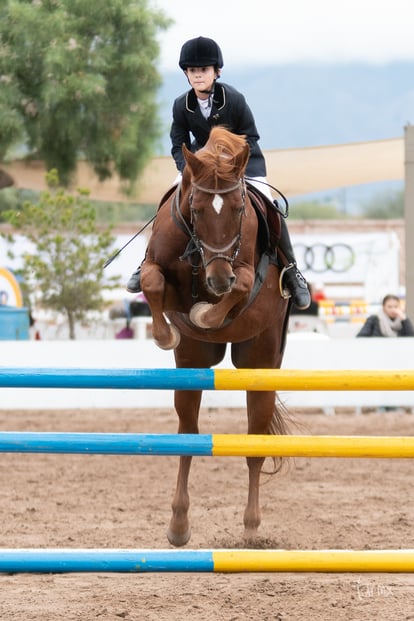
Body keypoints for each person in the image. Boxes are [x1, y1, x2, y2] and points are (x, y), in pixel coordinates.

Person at [127, 36, 310, 310]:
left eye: (204, 69)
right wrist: (189, 169)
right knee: (168, 200)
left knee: (270, 206)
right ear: (186, 74)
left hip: (242, 166)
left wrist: (227, 165)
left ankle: (292, 271)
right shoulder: (181, 105)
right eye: (192, 70)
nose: (198, 74)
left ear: (217, 72)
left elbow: (250, 135)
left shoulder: (234, 99)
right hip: (200, 169)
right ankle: (147, 262)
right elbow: (178, 143)